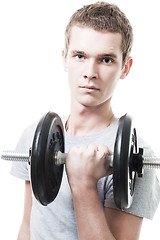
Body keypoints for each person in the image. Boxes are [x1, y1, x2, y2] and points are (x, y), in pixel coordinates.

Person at [11, 2, 160, 239]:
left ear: (125, 67)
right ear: (65, 59)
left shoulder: (137, 157)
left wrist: (84, 184)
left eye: (106, 60)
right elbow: (27, 227)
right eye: (80, 56)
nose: (90, 72)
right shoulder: (35, 136)